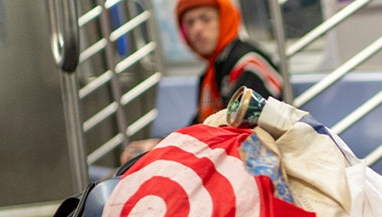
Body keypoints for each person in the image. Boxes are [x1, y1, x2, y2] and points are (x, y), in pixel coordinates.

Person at [120, 0, 284, 163]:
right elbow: (200, 124)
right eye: (190, 23)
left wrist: (168, 146)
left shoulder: (249, 64)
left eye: (205, 19)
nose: (197, 29)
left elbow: (242, 130)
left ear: (224, 20)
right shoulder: (211, 72)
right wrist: (161, 144)